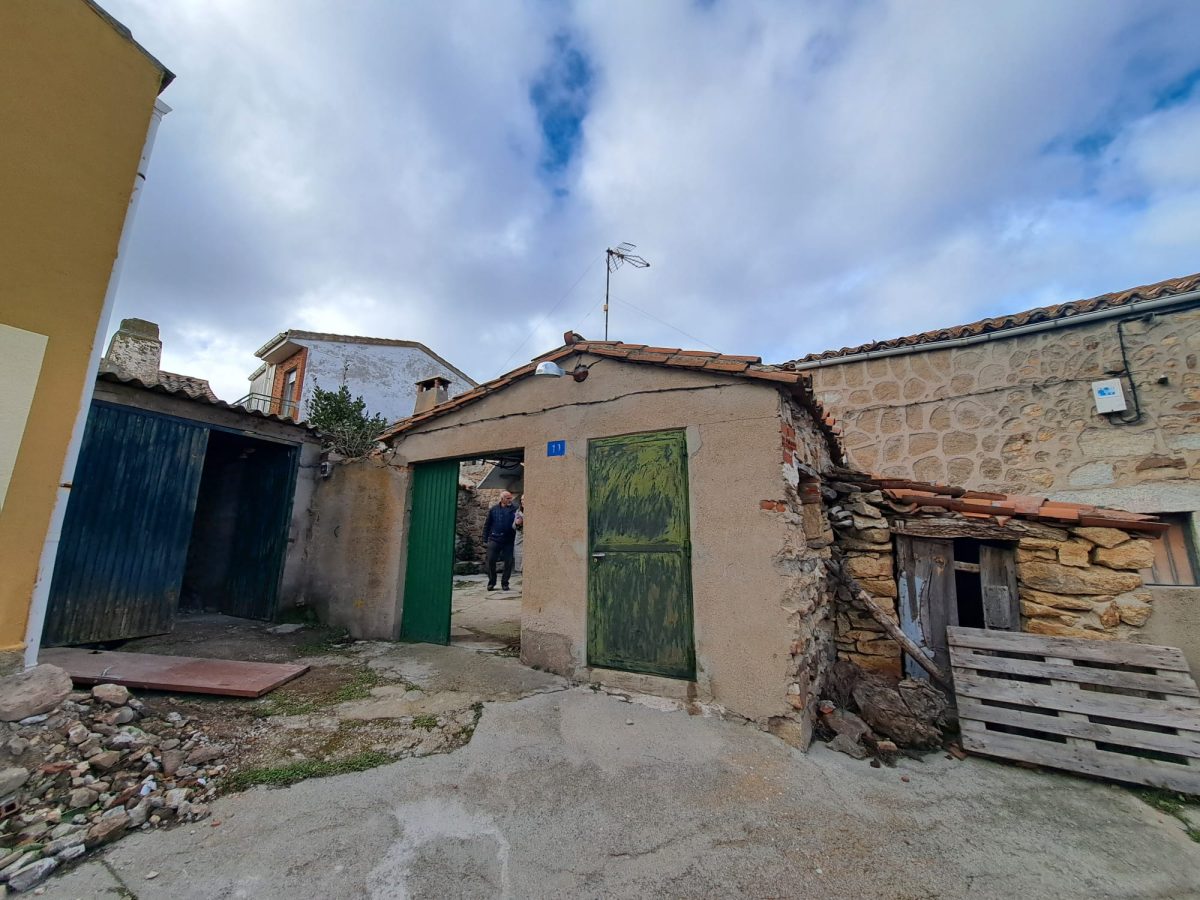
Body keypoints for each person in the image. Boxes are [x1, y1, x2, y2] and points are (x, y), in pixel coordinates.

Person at [483, 491, 518, 591]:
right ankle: (491, 582)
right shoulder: (493, 509)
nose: (510, 500)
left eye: (510, 498)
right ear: (502, 499)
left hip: (509, 540)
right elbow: (487, 525)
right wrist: (485, 539)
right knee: (490, 561)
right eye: (508, 498)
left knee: (509, 562)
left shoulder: (515, 509)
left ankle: (505, 583)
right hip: (495, 539)